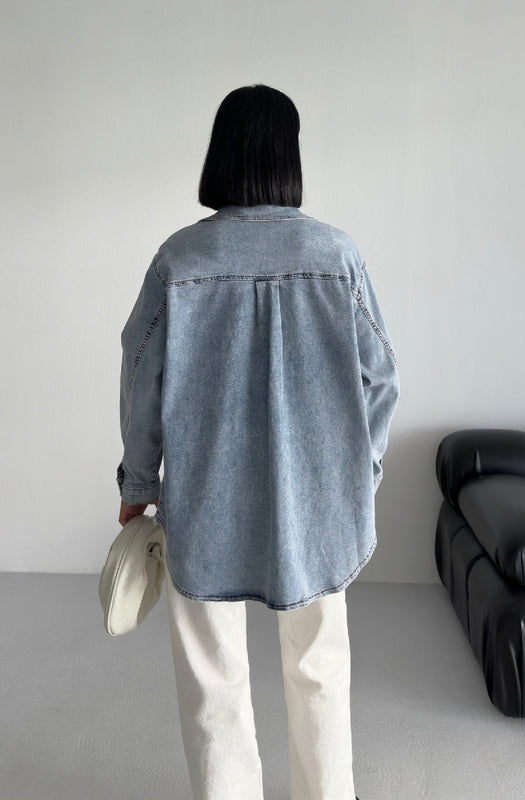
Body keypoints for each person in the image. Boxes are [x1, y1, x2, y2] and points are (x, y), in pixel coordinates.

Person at [116, 84, 399, 800]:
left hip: (204, 499)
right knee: (320, 670)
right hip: (316, 505)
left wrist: (139, 485)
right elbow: (382, 378)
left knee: (213, 682)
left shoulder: (178, 260)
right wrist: (356, 471)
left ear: (220, 154)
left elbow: (140, 373)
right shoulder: (335, 255)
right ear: (288, 157)